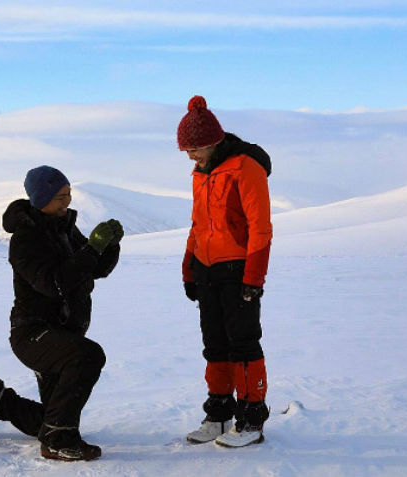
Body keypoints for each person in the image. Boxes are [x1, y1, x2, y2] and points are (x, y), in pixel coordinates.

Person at [0, 165, 123, 461]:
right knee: (87, 357)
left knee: (53, 416)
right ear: (41, 198)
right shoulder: (25, 239)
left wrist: (109, 246)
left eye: (69, 194)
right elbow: (55, 284)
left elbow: (96, 269)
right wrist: (93, 249)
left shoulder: (63, 226)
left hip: (62, 332)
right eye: (61, 196)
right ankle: (57, 442)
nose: (68, 201)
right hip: (33, 334)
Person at [178, 95, 273, 447]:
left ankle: (251, 420)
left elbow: (261, 227)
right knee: (214, 345)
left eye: (195, 149)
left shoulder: (246, 168)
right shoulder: (201, 173)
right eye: (186, 151)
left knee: (243, 345)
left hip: (238, 270)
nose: (190, 157)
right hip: (207, 270)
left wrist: (254, 278)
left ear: (214, 141)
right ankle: (218, 415)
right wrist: (189, 268)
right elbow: (197, 224)